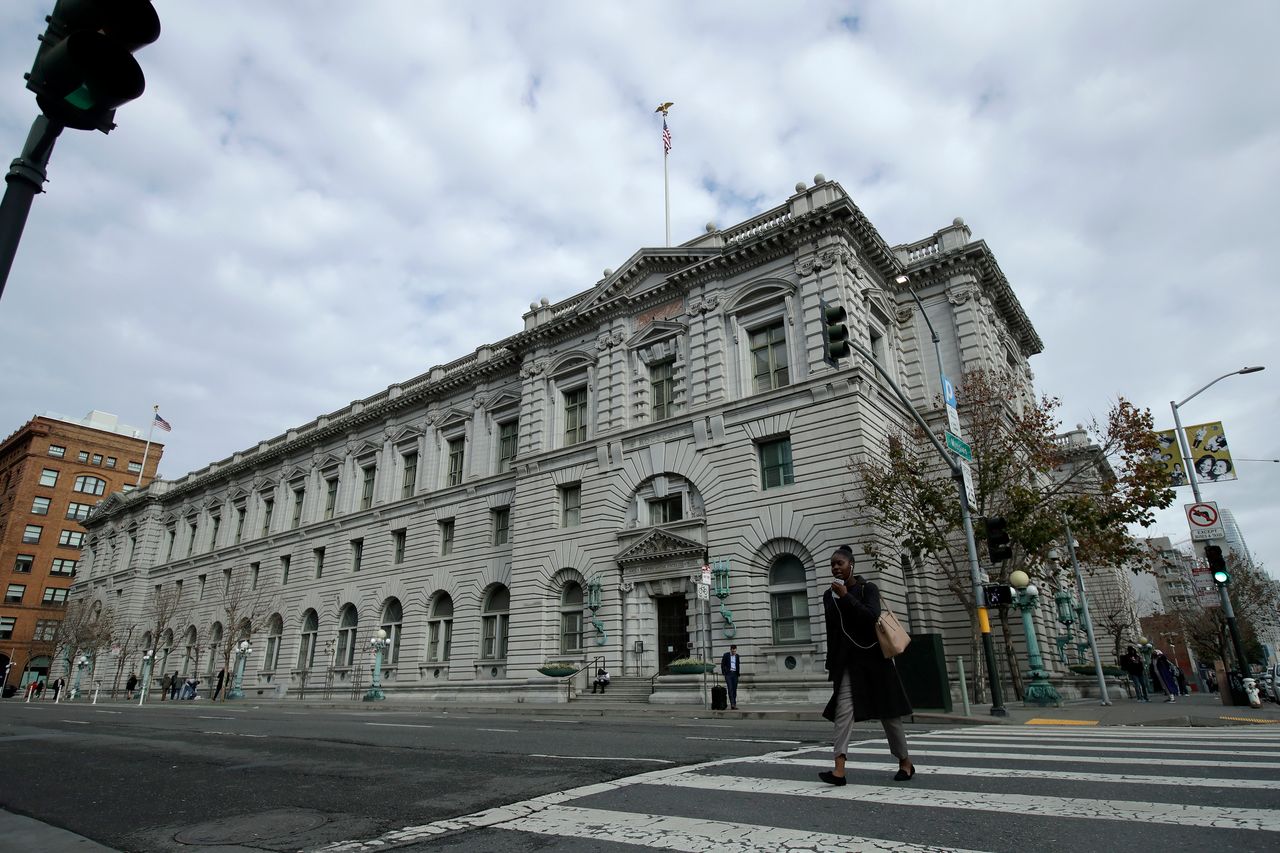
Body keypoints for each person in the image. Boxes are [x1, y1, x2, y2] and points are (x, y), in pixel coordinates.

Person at [820, 544, 914, 786]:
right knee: (843, 713)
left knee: (889, 714)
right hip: (848, 663)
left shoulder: (867, 588)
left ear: (851, 565)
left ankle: (905, 761)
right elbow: (832, 630)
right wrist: (832, 662)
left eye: (840, 563)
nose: (835, 568)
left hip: (875, 660)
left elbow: (871, 616)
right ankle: (839, 769)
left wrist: (846, 596)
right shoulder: (828, 595)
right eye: (832, 564)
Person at [720, 644, 742, 710]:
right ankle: (732, 704)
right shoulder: (726, 655)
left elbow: (737, 665)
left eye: (735, 651)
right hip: (728, 674)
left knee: (734, 689)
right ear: (730, 650)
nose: (734, 652)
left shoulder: (737, 656)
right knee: (730, 689)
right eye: (733, 651)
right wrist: (724, 673)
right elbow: (722, 664)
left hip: (735, 674)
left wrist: (738, 673)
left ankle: (734, 704)